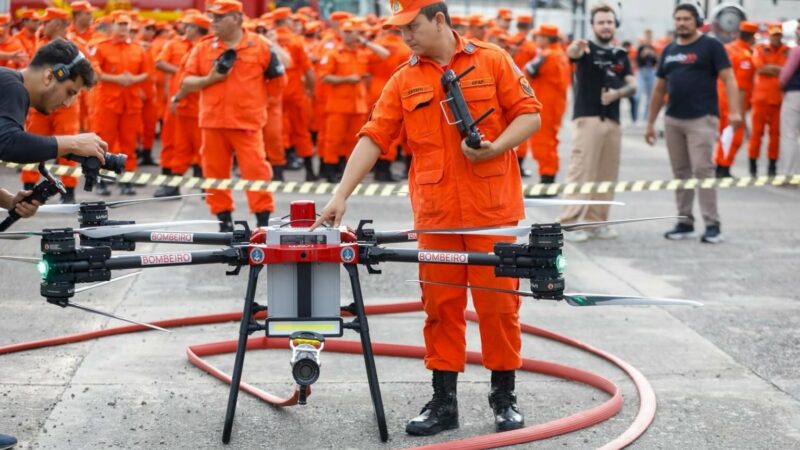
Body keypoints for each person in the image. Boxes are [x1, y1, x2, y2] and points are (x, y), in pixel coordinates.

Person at [313, 0, 541, 436]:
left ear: (439, 20)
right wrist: (341, 194)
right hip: (436, 216)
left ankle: (504, 395)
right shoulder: (404, 79)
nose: (406, 36)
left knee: (498, 307)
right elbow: (374, 136)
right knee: (440, 308)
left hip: (492, 212)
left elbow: (529, 115)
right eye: (400, 29)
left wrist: (494, 147)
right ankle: (444, 400)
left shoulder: (492, 60)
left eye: (412, 26)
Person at [180, 0, 280, 231]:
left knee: (256, 170)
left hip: (247, 123)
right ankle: (224, 223)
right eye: (212, 17)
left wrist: (259, 105)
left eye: (218, 17)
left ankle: (263, 224)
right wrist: (208, 80)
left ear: (236, 18)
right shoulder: (203, 48)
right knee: (214, 173)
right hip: (213, 122)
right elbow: (186, 81)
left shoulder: (260, 47)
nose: (212, 22)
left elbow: (277, 82)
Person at [645, 3, 741, 244]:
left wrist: (735, 112)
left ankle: (712, 224)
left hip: (702, 119)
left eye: (687, 18)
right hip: (673, 119)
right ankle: (684, 221)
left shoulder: (711, 46)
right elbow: (658, 90)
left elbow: (729, 78)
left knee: (703, 171)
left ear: (696, 20)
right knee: (681, 173)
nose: (682, 23)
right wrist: (650, 123)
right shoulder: (669, 50)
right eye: (678, 18)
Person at [560, 3, 636, 242]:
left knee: (607, 174)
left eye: (609, 22)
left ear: (615, 25)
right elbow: (572, 53)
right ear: (593, 25)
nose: (606, 26)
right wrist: (576, 47)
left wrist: (617, 94)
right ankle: (569, 223)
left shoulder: (620, 54)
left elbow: (632, 85)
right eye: (601, 22)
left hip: (612, 120)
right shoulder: (585, 48)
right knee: (582, 171)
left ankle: (596, 222)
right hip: (588, 119)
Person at [92, 13, 151, 196]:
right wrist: (118, 79)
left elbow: (147, 72)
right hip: (108, 103)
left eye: (126, 25)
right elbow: (96, 72)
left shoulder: (138, 49)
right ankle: (101, 180)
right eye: (120, 24)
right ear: (113, 27)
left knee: (129, 143)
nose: (124, 28)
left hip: (131, 103)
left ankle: (126, 180)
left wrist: (132, 79)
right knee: (104, 143)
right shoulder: (102, 48)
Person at [525, 23, 570, 187]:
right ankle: (549, 175)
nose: (535, 39)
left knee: (542, 141)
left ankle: (547, 178)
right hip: (555, 104)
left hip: (546, 105)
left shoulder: (547, 54)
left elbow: (528, 70)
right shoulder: (560, 53)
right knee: (550, 141)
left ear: (545, 38)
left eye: (538, 36)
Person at [714, 21, 757, 178]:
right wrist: (738, 110)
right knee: (735, 135)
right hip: (733, 100)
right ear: (752, 38)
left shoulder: (727, 48)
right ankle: (723, 167)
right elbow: (741, 87)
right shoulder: (744, 56)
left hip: (720, 97)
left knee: (724, 133)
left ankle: (720, 164)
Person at [746, 23, 788, 177]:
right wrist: (779, 69)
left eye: (778, 35)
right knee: (757, 133)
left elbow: (789, 69)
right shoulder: (760, 49)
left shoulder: (787, 51)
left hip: (779, 99)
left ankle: (772, 166)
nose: (776, 38)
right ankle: (753, 165)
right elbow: (760, 67)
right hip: (760, 99)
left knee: (775, 135)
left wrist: (771, 68)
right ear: (769, 35)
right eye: (774, 35)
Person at [779, 19, 800, 176]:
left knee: (790, 134)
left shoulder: (797, 50)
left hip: (795, 95)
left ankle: (789, 173)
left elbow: (785, 75)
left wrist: (781, 83)